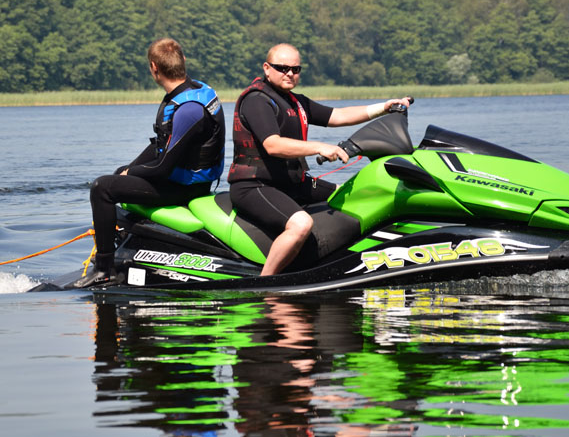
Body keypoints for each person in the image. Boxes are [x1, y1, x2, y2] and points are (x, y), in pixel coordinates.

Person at [228, 43, 411, 276]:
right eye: (282, 68)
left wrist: (384, 108)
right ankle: (266, 284)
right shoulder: (257, 100)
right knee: (301, 224)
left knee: (350, 196)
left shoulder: (295, 102)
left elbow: (339, 115)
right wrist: (319, 147)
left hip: (291, 183)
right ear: (266, 68)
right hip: (254, 185)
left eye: (295, 69)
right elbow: (273, 145)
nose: (290, 74)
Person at [80, 38, 226, 287]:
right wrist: (126, 170)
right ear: (183, 61)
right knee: (116, 176)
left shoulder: (189, 109)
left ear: (154, 68)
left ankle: (104, 270)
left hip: (186, 187)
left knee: (101, 189)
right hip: (183, 181)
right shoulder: (194, 91)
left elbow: (163, 168)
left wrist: (131, 173)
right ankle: (129, 246)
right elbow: (161, 145)